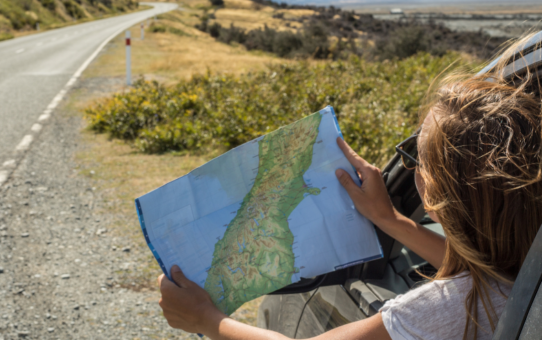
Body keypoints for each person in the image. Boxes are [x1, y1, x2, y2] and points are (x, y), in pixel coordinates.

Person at [157, 32, 542, 340]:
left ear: (435, 197)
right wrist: (388, 218)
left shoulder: (452, 308)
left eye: (416, 160)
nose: (415, 170)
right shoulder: (524, 270)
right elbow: (490, 270)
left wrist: (207, 320)